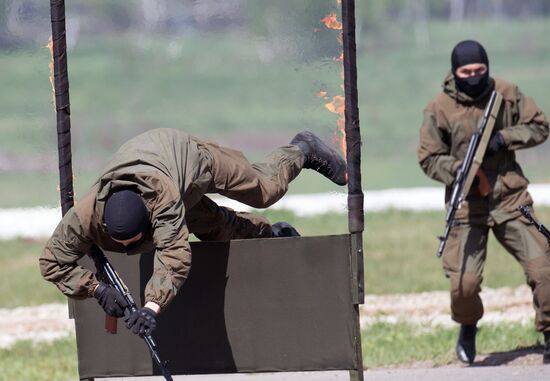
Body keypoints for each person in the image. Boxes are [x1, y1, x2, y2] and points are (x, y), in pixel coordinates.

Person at [40, 128, 346, 336]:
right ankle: (273, 236)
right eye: (119, 244)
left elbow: (173, 257)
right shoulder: (85, 215)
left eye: (133, 242)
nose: (128, 248)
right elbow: (51, 262)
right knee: (219, 231)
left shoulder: (163, 202)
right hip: (159, 171)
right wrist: (97, 290)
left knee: (264, 190)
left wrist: (151, 307)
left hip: (190, 160)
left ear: (149, 219)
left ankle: (302, 149)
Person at [418, 40, 550, 364]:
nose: (474, 76)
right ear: (455, 72)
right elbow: (428, 157)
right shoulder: (439, 108)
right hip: (466, 205)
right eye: (467, 71)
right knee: (463, 282)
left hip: (510, 198)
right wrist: (462, 170)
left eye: (480, 70)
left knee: (543, 267)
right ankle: (467, 325)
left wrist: (504, 138)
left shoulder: (505, 93)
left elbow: (539, 126)